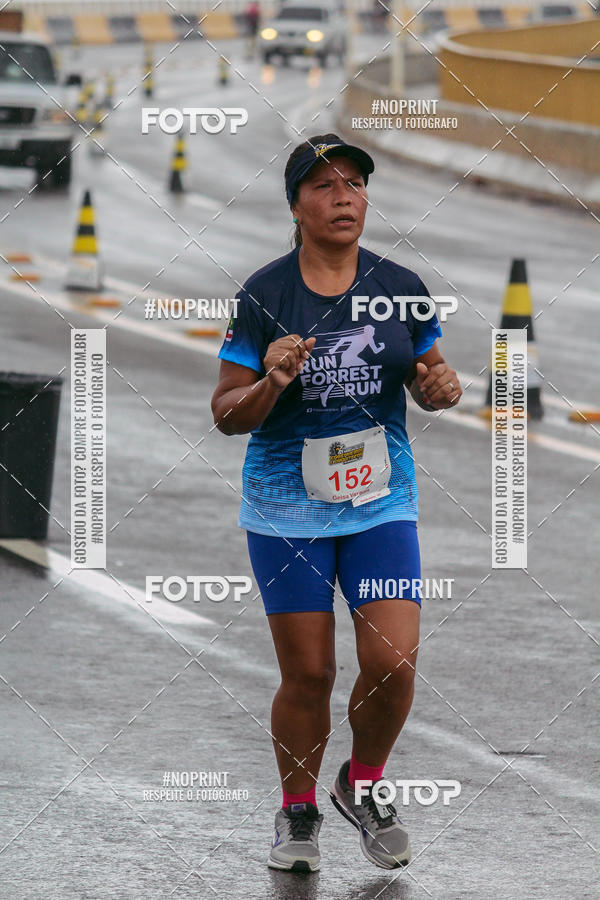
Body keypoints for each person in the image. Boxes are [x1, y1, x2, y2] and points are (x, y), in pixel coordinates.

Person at [211, 133, 462, 873]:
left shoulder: (400, 286)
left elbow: (429, 370)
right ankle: (297, 811)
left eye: (353, 183)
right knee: (310, 673)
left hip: (381, 500)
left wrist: (439, 389)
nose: (343, 197)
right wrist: (272, 381)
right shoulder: (266, 294)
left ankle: (365, 781)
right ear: (296, 205)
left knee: (393, 660)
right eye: (323, 186)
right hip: (286, 504)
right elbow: (227, 413)